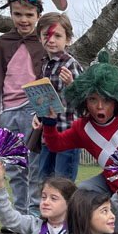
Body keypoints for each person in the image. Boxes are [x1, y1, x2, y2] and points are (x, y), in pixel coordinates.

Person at [40, 52, 118, 234]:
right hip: (110, 185)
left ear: (117, 99)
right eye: (93, 99)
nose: (100, 106)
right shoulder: (82, 127)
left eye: (106, 99)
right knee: (84, 190)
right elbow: (55, 145)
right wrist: (50, 123)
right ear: (84, 101)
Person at [0, 0, 47, 214]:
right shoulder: (2, 43)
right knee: (14, 166)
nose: (24, 19)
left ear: (38, 16)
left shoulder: (44, 44)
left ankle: (35, 213)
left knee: (35, 165)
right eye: (18, 14)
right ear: (11, 15)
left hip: (34, 110)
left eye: (29, 15)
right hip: (7, 110)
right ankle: (20, 213)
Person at [34, 11, 83, 189]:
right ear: (40, 38)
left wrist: (71, 84)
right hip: (48, 136)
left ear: (68, 40)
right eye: (46, 35)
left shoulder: (71, 64)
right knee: (44, 182)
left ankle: (67, 217)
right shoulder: (45, 64)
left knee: (63, 183)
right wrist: (37, 114)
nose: (51, 39)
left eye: (57, 35)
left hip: (67, 135)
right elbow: (43, 98)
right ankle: (46, 216)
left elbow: (83, 101)